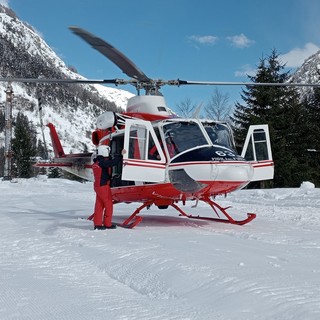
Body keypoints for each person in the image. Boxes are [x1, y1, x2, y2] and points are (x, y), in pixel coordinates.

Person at [92, 145, 126, 230]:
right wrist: (121, 155)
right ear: (105, 152)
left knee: (99, 205)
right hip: (103, 186)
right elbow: (112, 163)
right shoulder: (102, 162)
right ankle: (107, 223)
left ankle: (98, 224)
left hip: (97, 186)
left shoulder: (96, 162)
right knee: (108, 204)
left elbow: (108, 162)